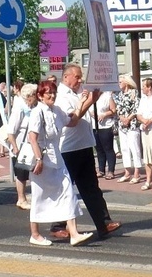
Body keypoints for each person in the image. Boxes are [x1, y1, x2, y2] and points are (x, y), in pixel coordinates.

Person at [54, 63, 121, 240]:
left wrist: (93, 96)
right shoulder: (61, 96)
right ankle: (57, 224)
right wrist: (91, 100)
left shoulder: (77, 93)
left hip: (83, 145)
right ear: (66, 77)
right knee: (66, 189)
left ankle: (103, 223)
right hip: (68, 148)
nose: (80, 80)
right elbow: (73, 120)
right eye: (77, 76)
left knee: (91, 188)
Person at [26, 80, 94, 247]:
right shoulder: (37, 112)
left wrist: (82, 102)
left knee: (68, 192)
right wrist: (39, 160)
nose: (52, 96)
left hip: (57, 158)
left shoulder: (57, 111)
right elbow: (32, 138)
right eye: (48, 93)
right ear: (40, 96)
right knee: (39, 196)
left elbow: (72, 121)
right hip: (42, 160)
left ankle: (74, 234)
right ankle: (35, 234)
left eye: (54, 92)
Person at [7, 83, 37, 210]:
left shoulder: (35, 107)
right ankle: (21, 198)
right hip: (21, 146)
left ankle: (33, 198)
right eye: (35, 94)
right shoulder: (19, 108)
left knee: (33, 172)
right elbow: (11, 131)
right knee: (22, 174)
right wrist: (15, 147)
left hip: (32, 146)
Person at [113, 74, 142, 184]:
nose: (119, 84)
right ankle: (127, 172)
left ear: (126, 82)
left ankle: (137, 173)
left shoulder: (134, 93)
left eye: (120, 82)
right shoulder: (119, 94)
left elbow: (136, 108)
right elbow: (117, 109)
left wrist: (129, 118)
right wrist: (121, 118)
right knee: (124, 148)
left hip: (132, 125)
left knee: (134, 148)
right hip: (122, 125)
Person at [92, 90, 117, 179]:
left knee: (108, 148)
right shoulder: (91, 96)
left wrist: (104, 114)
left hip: (106, 126)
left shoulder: (107, 96)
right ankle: (101, 169)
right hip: (94, 126)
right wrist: (91, 114)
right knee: (99, 149)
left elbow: (114, 109)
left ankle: (111, 170)